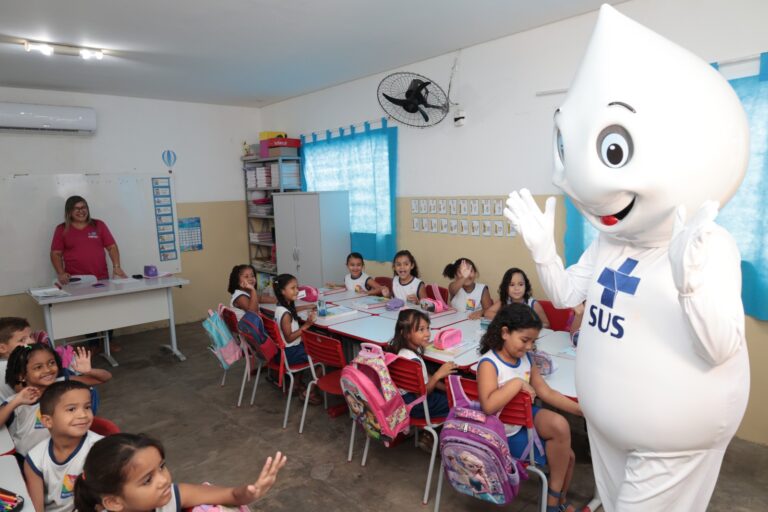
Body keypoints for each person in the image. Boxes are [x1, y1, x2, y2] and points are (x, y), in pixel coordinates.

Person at [476, 303, 582, 512]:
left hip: (522, 421)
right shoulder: (489, 363)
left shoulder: (526, 358)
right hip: (502, 433)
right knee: (567, 457)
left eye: (533, 341)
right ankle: (555, 502)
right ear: (505, 333)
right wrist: (517, 383)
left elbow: (546, 392)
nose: (529, 347)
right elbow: (488, 406)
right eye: (525, 340)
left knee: (560, 425)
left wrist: (582, 410)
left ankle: (554, 501)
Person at [73, 433, 286, 512]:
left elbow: (231, 495)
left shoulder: (173, 496)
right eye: (147, 480)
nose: (163, 480)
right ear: (114, 502)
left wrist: (250, 492)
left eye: (161, 467)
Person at [0, 344, 110, 456]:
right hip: (28, 458)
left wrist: (89, 371)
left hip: (67, 454)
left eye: (51, 363)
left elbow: (104, 378)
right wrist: (15, 402)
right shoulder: (17, 400)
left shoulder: (63, 383)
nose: (48, 370)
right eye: (38, 367)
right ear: (21, 376)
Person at [24, 381, 103, 512]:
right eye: (71, 409)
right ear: (48, 421)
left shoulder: (101, 450)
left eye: (87, 407)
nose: (83, 415)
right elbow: (37, 508)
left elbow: (106, 502)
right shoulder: (34, 458)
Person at [387, 309, 456, 451]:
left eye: (428, 328)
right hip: (418, 406)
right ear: (406, 334)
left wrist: (447, 389)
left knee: (449, 394)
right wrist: (438, 374)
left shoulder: (400, 352)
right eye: (421, 330)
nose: (427, 334)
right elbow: (422, 394)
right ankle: (432, 437)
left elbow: (424, 378)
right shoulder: (413, 361)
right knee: (456, 404)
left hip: (404, 402)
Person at [50, 195, 128, 284]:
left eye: (84, 207)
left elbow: (112, 247)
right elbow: (55, 254)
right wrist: (61, 273)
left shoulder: (99, 225)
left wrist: (117, 267)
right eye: (77, 209)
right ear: (69, 211)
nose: (81, 211)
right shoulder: (61, 229)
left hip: (101, 279)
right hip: (75, 280)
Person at [272, 273, 320, 405]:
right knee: (324, 357)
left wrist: (308, 306)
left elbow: (292, 309)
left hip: (283, 352)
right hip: (289, 353)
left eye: (297, 287)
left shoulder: (281, 307)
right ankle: (310, 391)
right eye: (293, 288)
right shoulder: (286, 315)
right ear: (282, 291)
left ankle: (296, 384)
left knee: (306, 346)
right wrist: (307, 325)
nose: (297, 291)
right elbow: (289, 338)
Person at [484, 267, 550, 327]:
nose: (516, 288)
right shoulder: (505, 300)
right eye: (512, 285)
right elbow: (487, 314)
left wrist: (530, 326)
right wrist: (507, 319)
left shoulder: (533, 304)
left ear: (526, 286)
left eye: (520, 284)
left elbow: (546, 324)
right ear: (506, 287)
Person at [0, 317, 35, 401]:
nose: (32, 342)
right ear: (2, 348)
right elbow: (31, 393)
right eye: (22, 340)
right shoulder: (9, 366)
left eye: (31, 336)